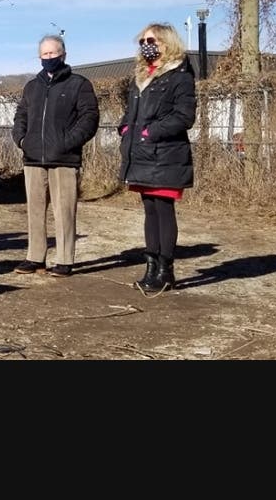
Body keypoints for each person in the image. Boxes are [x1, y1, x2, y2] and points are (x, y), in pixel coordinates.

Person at [11, 34, 100, 277]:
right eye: (45, 54)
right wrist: (21, 139)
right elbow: (21, 116)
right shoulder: (32, 87)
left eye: (53, 53)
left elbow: (89, 119)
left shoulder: (79, 85)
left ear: (64, 54)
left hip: (64, 159)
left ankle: (64, 259)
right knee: (35, 211)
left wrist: (66, 143)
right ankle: (35, 257)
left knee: (64, 211)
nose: (49, 57)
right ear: (40, 56)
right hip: (33, 158)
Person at [118, 22, 196, 295]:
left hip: (165, 154)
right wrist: (125, 128)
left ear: (166, 42)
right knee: (149, 210)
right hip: (140, 154)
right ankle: (150, 267)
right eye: (142, 42)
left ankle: (166, 270)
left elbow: (184, 116)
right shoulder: (140, 76)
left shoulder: (180, 76)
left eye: (151, 40)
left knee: (164, 210)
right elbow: (131, 112)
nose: (146, 46)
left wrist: (151, 132)